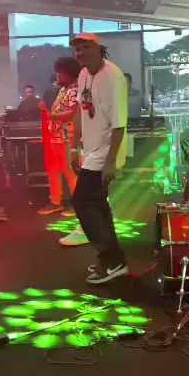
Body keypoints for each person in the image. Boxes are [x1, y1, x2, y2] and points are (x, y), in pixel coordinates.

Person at [70, 33, 129, 284]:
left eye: (85, 47)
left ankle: (112, 258)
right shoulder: (83, 74)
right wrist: (74, 148)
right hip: (91, 151)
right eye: (77, 49)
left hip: (106, 151)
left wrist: (110, 161)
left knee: (83, 201)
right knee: (98, 205)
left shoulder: (113, 77)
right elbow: (80, 111)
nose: (80, 53)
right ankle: (114, 260)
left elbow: (119, 124)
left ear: (98, 48)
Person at [37, 57, 89, 244]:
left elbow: (73, 113)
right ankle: (57, 201)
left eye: (61, 72)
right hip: (58, 137)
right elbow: (58, 112)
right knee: (56, 169)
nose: (58, 75)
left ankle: (79, 206)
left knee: (71, 171)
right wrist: (47, 111)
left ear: (70, 73)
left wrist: (52, 116)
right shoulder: (64, 90)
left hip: (69, 138)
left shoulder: (76, 90)